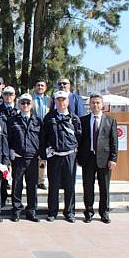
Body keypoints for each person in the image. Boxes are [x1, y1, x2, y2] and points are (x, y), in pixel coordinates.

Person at [39, 90, 82, 223]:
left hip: (70, 156)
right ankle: (52, 212)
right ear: (55, 102)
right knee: (53, 185)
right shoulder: (49, 117)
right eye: (58, 100)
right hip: (54, 156)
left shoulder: (74, 118)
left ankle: (69, 212)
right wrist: (43, 157)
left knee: (70, 185)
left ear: (68, 102)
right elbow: (43, 138)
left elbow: (79, 137)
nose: (61, 102)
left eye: (63, 100)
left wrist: (77, 156)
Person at [78, 94, 118, 224]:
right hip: (88, 158)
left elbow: (114, 141)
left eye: (98, 103)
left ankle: (104, 212)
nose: (95, 105)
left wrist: (113, 158)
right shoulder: (83, 120)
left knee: (104, 187)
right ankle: (89, 212)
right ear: (89, 105)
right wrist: (79, 158)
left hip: (105, 159)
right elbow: (80, 141)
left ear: (102, 105)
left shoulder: (110, 120)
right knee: (88, 187)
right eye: (93, 103)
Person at [7, 94, 42, 222]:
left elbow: (42, 140)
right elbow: (8, 139)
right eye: (23, 103)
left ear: (31, 105)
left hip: (33, 158)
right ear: (18, 104)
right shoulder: (12, 120)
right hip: (18, 158)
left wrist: (42, 156)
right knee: (17, 185)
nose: (25, 105)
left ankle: (31, 211)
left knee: (32, 186)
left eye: (28, 103)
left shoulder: (38, 121)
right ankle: (16, 210)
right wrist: (10, 151)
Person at [31, 79, 51, 190]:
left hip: (46, 130)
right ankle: (33, 179)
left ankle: (41, 180)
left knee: (43, 156)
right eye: (38, 85)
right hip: (33, 129)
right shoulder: (30, 99)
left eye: (42, 85)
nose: (40, 87)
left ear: (45, 87)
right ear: (35, 87)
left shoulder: (50, 100)